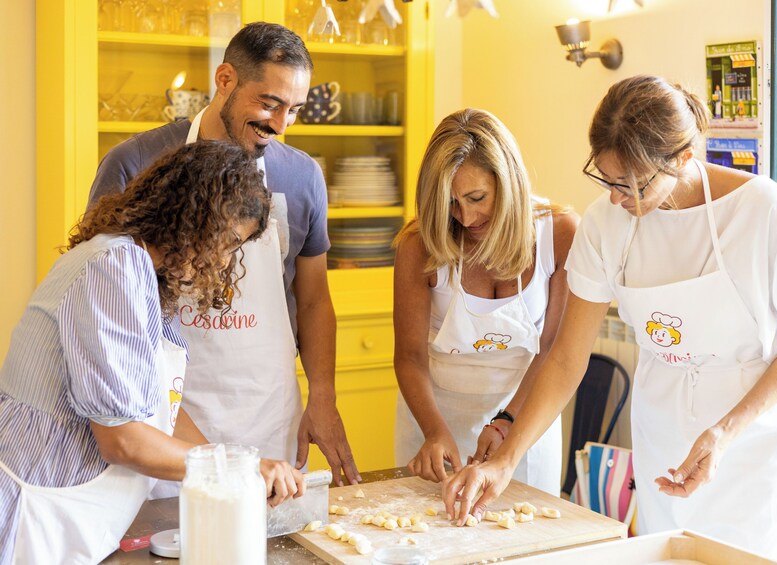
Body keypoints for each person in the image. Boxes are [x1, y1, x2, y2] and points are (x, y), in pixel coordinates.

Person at [443, 76, 777, 560]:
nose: (617, 199)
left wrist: (725, 431)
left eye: (632, 184)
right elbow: (565, 359)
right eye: (607, 180)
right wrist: (506, 460)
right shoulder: (606, 225)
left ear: (684, 158)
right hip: (663, 444)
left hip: (753, 449)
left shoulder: (765, 214)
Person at [0, 141, 305, 564]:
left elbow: (164, 408)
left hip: (72, 516)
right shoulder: (112, 267)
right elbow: (122, 439)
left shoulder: (139, 270)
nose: (224, 263)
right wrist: (238, 471)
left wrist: (225, 471)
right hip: (35, 515)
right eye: (230, 243)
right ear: (198, 216)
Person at [88, 22, 359, 487]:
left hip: (270, 413)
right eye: (269, 103)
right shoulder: (136, 164)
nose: (278, 124)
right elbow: (108, 292)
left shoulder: (302, 178)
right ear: (226, 79)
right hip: (167, 419)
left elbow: (314, 300)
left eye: (292, 110)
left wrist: (323, 397)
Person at [393, 108, 579, 495]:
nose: (465, 216)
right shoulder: (419, 244)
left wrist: (508, 422)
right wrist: (434, 431)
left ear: (507, 181)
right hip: (434, 414)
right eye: (450, 203)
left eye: (477, 197)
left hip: (526, 414)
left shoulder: (558, 234)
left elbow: (553, 350)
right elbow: (409, 356)